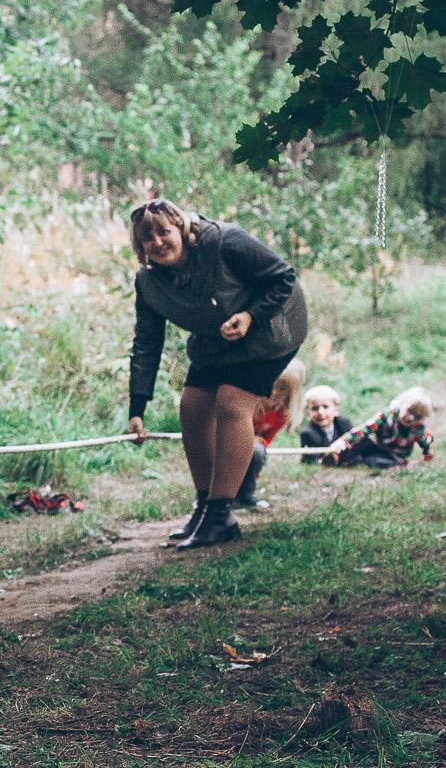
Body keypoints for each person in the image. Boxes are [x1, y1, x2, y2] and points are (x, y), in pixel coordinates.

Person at [123, 198, 308, 549]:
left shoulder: (225, 241)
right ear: (140, 245)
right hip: (218, 338)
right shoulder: (149, 283)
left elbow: (283, 277)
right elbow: (147, 342)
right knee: (192, 406)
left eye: (164, 231)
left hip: (274, 327)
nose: (158, 242)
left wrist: (251, 315)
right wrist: (137, 407)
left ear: (180, 228)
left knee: (231, 402)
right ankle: (206, 505)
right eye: (148, 238)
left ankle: (221, 515)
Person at [234, 358, 306, 510]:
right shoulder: (253, 402)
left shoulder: (281, 413)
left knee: (258, 451)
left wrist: (258, 443)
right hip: (232, 441)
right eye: (272, 383)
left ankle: (246, 494)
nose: (274, 391)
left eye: (281, 388)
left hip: (254, 447)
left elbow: (266, 441)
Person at [324, 386, 434, 468]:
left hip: (394, 456)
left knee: (379, 461)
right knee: (363, 441)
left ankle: (358, 460)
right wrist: (342, 442)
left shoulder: (419, 429)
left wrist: (426, 461)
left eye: (417, 416)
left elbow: (427, 445)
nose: (411, 418)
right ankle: (336, 457)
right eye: (409, 411)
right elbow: (364, 429)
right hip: (377, 446)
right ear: (401, 403)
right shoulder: (387, 415)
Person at [298, 384, 353, 451]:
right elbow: (313, 458)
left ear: (336, 410)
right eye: (315, 408)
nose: (320, 412)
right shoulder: (308, 433)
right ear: (308, 413)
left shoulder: (344, 423)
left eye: (325, 407)